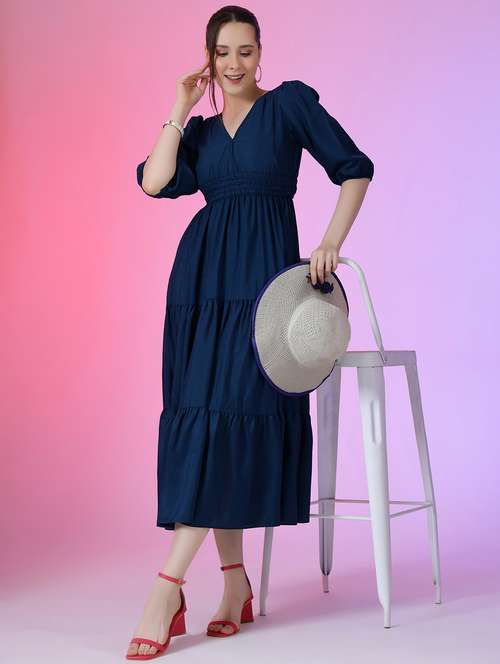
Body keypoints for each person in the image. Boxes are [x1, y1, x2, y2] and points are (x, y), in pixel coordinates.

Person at [127, 5, 374, 659]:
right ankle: (234, 583)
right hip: (201, 290)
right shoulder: (202, 132)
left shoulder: (288, 105)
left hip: (264, 290)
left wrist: (329, 241)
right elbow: (154, 182)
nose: (234, 64)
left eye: (245, 50)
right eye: (222, 53)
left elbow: (355, 167)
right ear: (208, 58)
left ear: (262, 52)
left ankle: (165, 588)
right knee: (206, 417)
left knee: (227, 417)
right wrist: (179, 106)